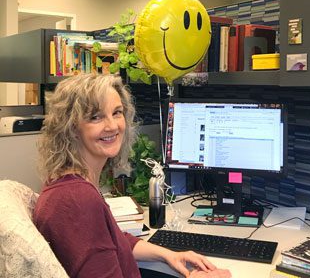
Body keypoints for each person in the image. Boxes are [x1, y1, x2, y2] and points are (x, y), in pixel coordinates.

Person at [34, 74, 231, 278]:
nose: (112, 126)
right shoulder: (77, 199)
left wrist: (169, 255)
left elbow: (114, 240)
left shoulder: (69, 181)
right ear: (71, 127)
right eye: (96, 117)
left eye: (116, 113)